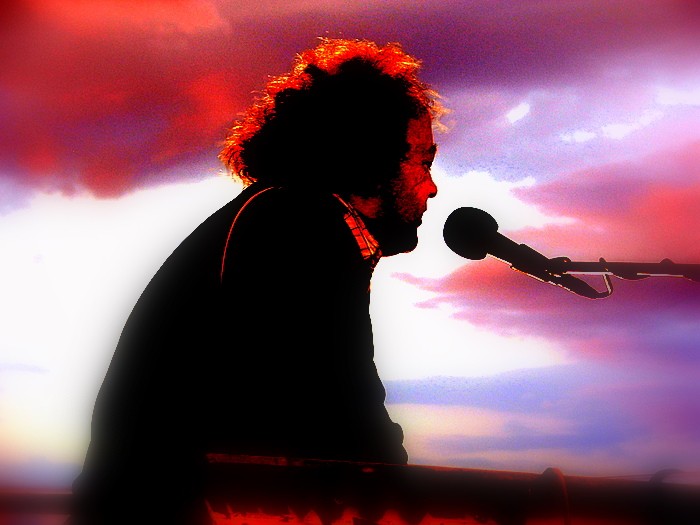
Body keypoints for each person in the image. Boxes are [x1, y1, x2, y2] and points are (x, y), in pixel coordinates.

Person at [68, 37, 442, 525]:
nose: (432, 187)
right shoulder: (297, 224)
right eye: (423, 161)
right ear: (370, 156)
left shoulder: (285, 216)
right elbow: (334, 411)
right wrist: (404, 499)